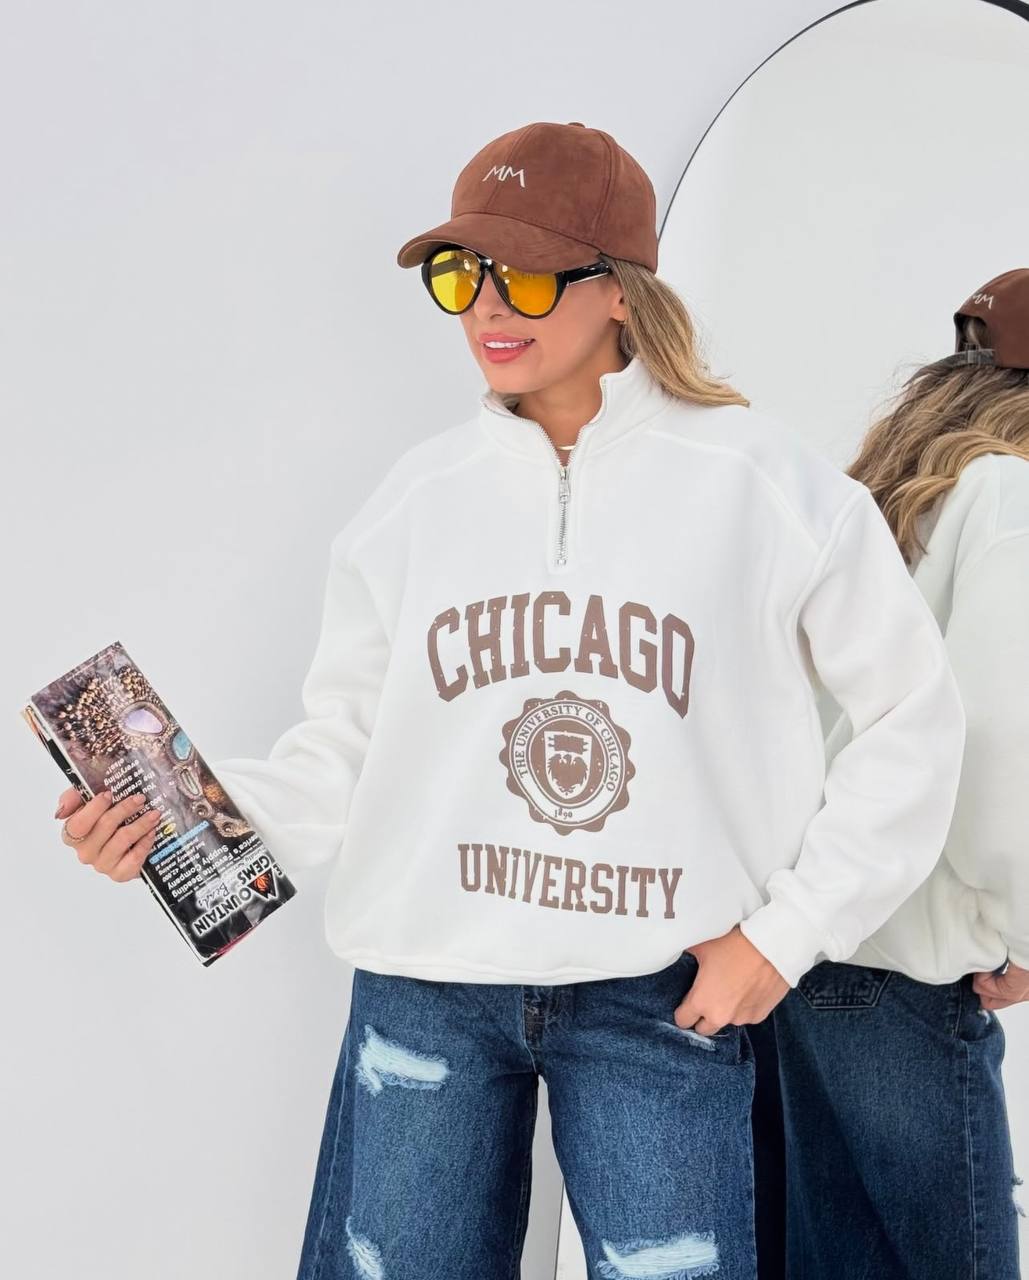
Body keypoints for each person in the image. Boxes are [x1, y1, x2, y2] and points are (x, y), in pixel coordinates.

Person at [51, 121, 967, 1279]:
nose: (488, 304)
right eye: (460, 273)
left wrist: (784, 938)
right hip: (428, 983)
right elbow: (343, 755)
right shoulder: (415, 500)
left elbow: (913, 718)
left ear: (620, 290)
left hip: (661, 990)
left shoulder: (766, 486)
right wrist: (175, 827)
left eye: (526, 273)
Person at [754, 268, 1029, 1280]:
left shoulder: (878, 496)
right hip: (904, 973)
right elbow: (999, 744)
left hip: (801, 949)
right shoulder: (1009, 494)